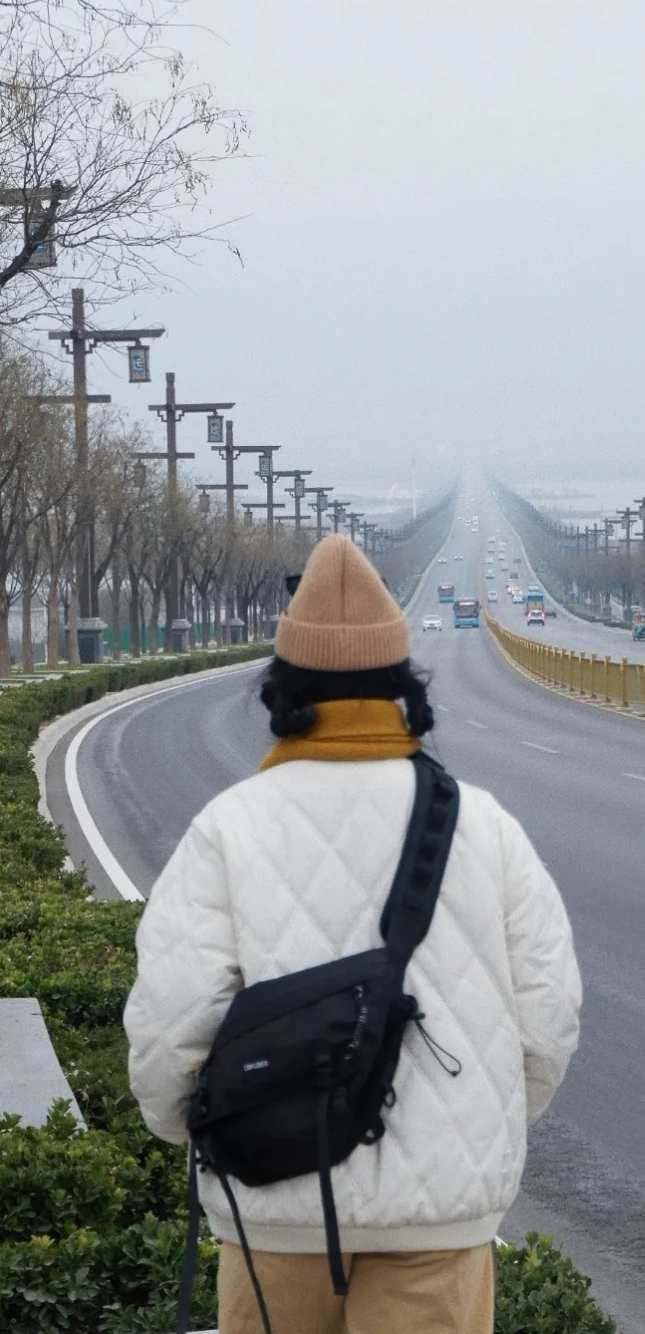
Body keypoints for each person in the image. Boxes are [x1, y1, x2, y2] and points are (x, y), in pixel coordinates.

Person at [124, 534, 582, 1334]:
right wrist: (469, 1121)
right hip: (438, 1224)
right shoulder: (486, 827)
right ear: (402, 683)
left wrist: (204, 1134)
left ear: (284, 688)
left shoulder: (226, 828)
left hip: (272, 1205)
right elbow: (547, 1022)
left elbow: (171, 1026)